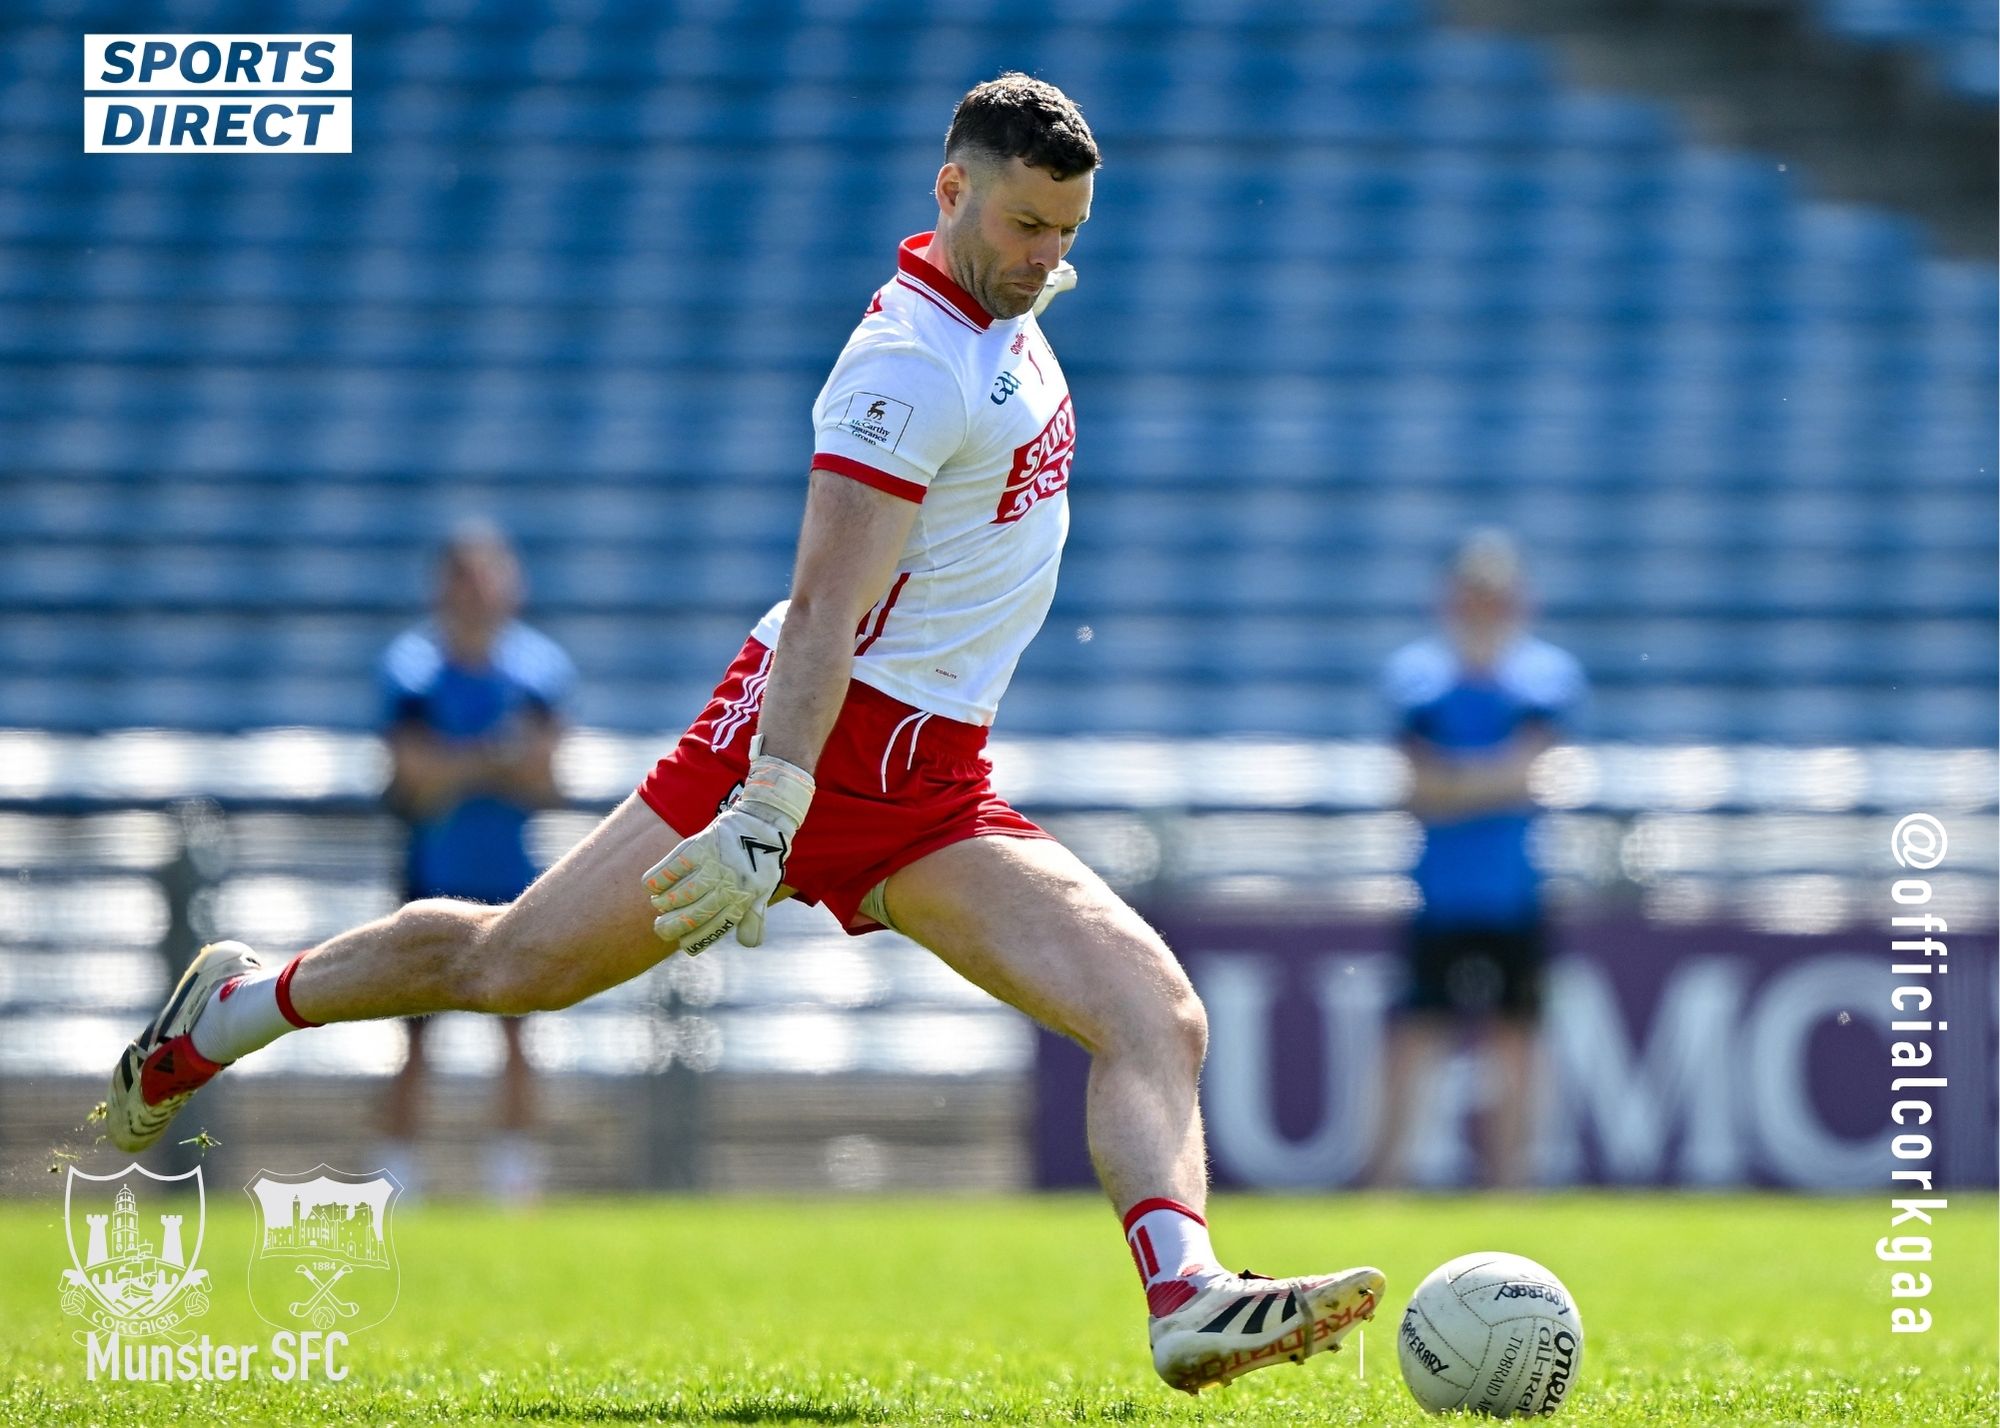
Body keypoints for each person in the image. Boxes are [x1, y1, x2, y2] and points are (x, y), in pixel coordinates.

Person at [106, 74, 1381, 1395]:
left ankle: (1185, 1300)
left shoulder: (1000, 311)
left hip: (930, 781)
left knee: (1154, 1013)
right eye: (1022, 225)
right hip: (808, 741)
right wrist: (769, 808)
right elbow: (826, 611)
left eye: (1067, 230)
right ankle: (239, 1009)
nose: (1047, 259)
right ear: (951, 192)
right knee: (512, 965)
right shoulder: (905, 366)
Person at [1365, 530, 1588, 1190]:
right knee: (1416, 1038)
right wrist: (1496, 781)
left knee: (1515, 1041)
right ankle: (1386, 1181)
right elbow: (1417, 785)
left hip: (1514, 892)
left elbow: (1528, 773)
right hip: (1439, 893)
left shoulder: (1545, 676)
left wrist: (1453, 784)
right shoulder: (1419, 676)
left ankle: (1511, 1181)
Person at [377, 522, 575, 1201]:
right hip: (429, 873)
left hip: (513, 875)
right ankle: (398, 1175)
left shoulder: (538, 668)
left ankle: (513, 1175)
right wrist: (495, 760)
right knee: (413, 1037)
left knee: (519, 1033)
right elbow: (413, 778)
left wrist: (458, 764)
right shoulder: (412, 668)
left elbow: (545, 778)